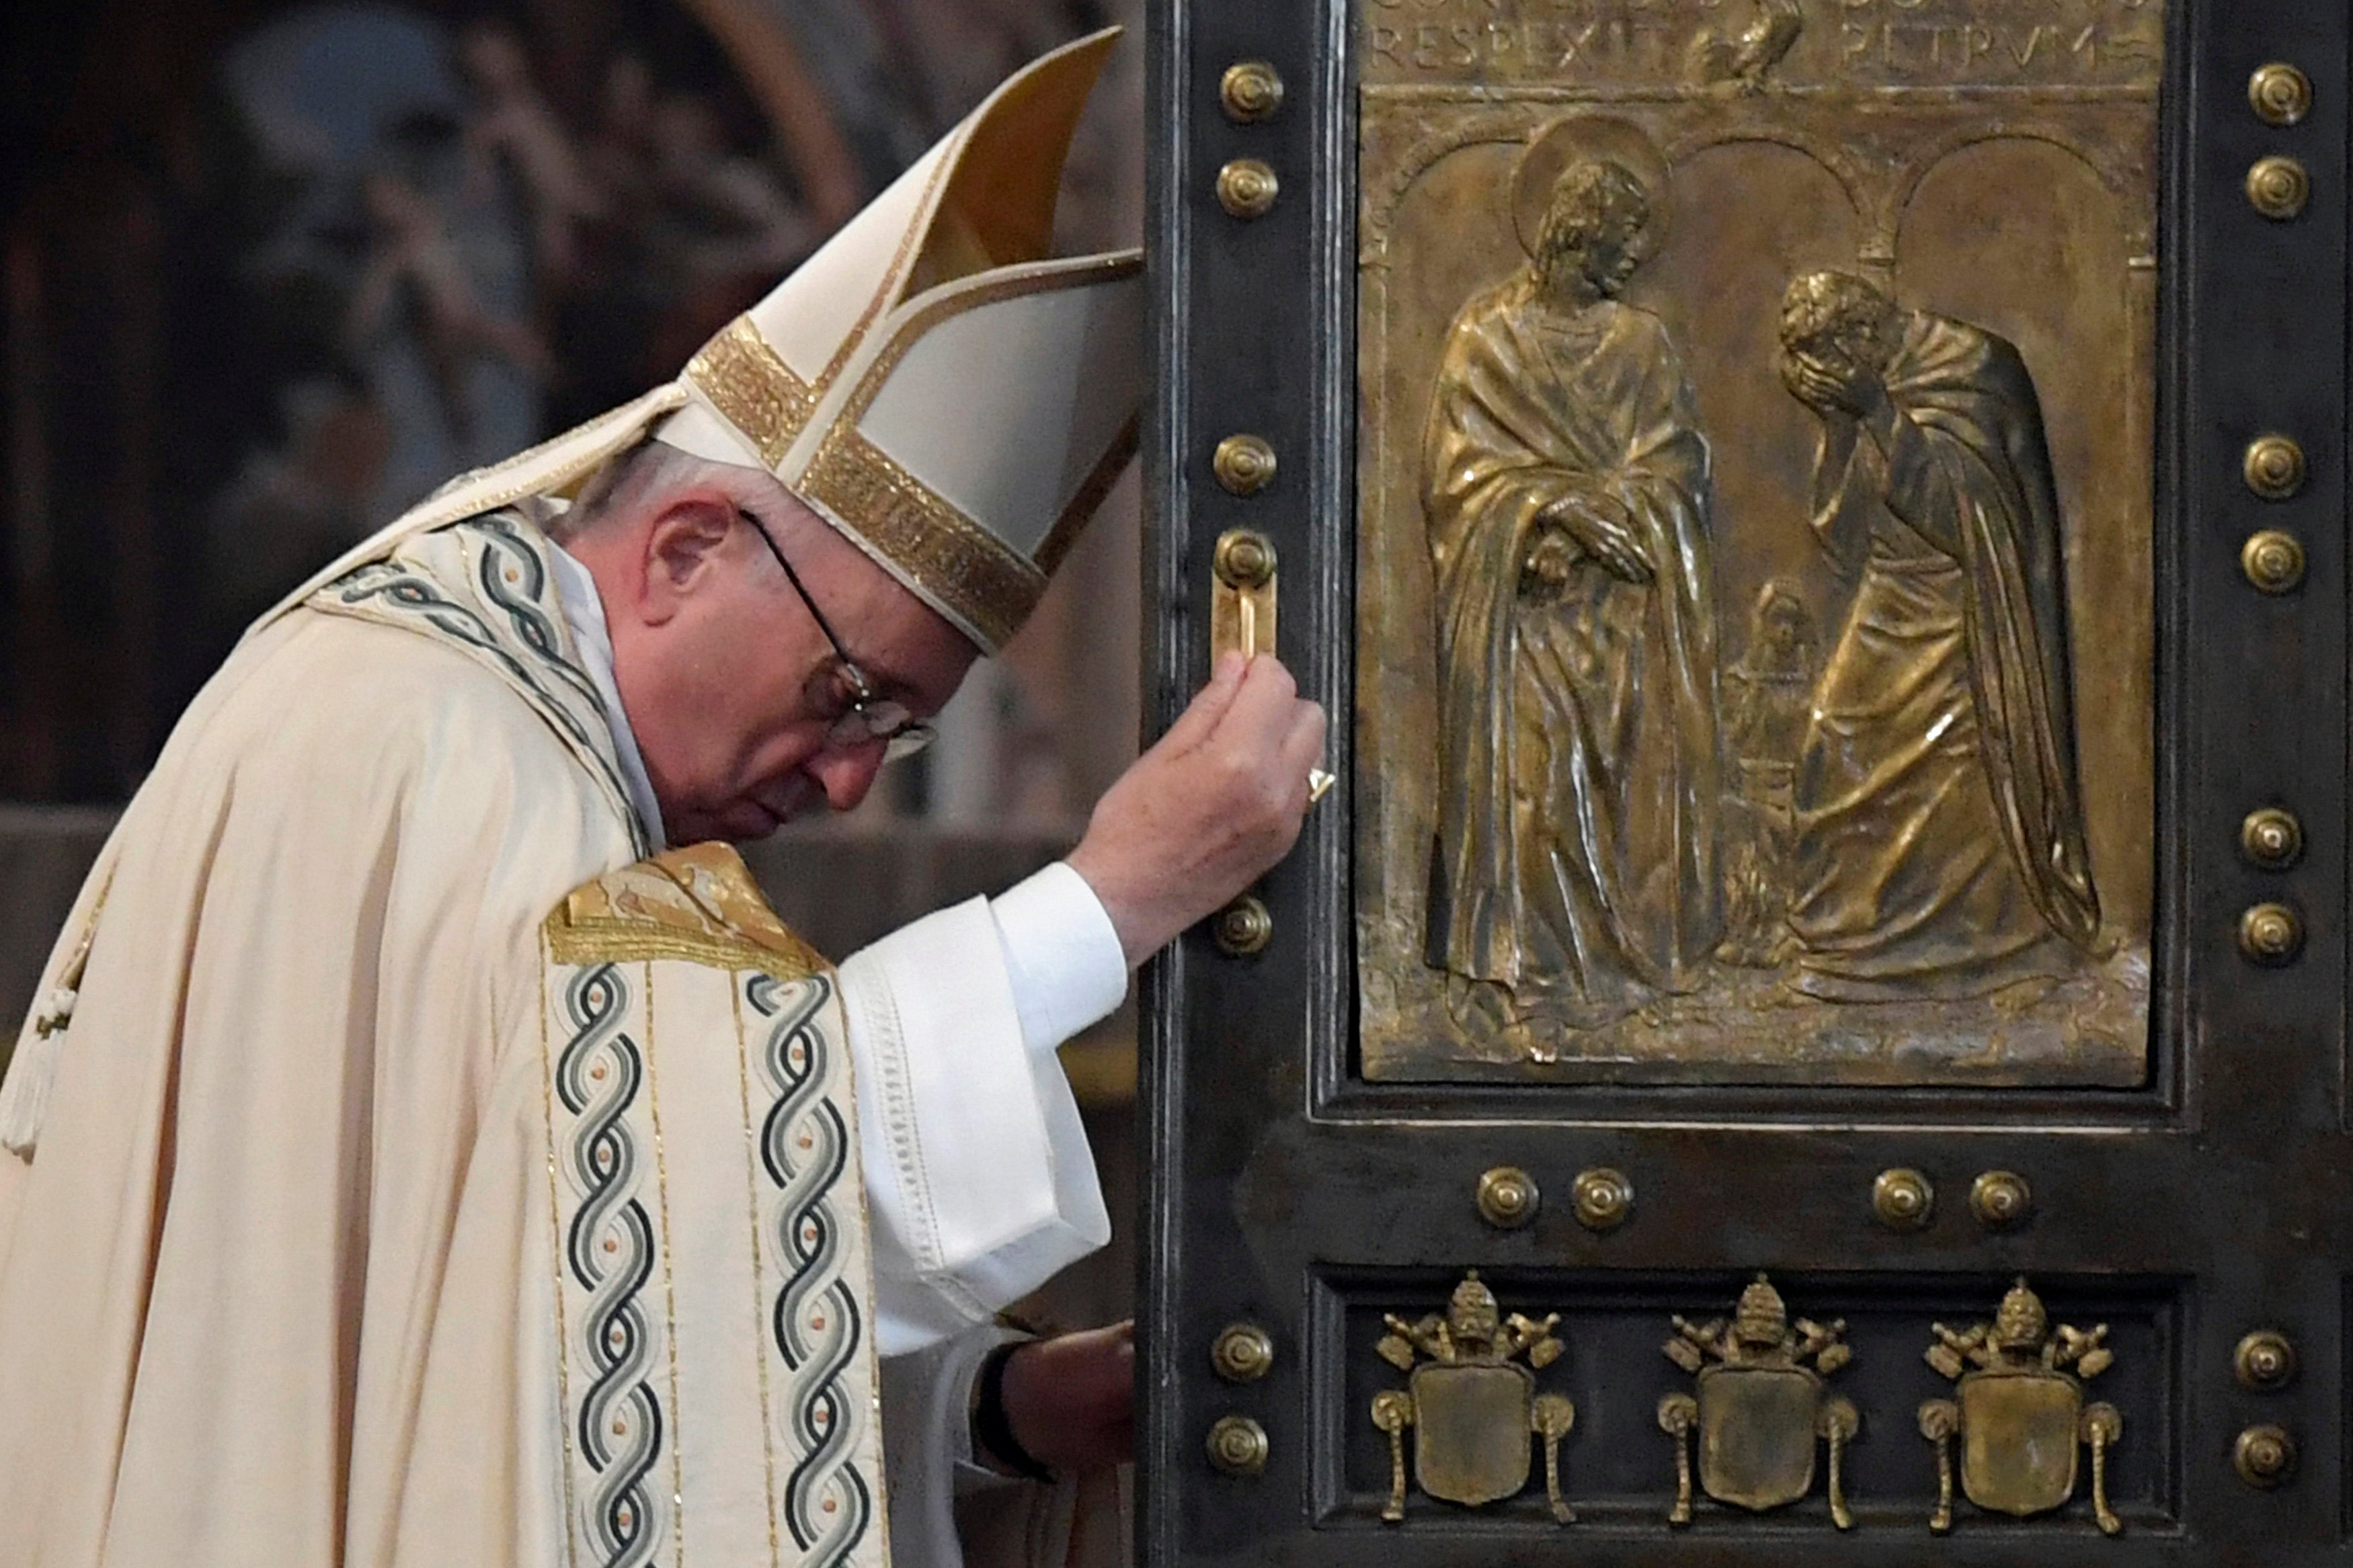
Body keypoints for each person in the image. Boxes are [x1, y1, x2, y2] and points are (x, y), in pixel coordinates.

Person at [0, 30, 1327, 1568]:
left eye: (895, 734)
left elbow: (544, 1313)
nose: (844, 778)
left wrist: (1001, 1411)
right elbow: (640, 1195)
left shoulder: (483, 712)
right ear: (689, 546)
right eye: (851, 694)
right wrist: (1114, 898)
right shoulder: (427, 741)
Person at [1422, 153, 1720, 1035]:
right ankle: (1526, 971)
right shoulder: (1487, 341)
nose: (1633, 261)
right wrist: (1545, 516)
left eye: (1640, 245)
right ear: (1576, 231)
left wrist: (1596, 526)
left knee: (1616, 787)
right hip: (1522, 616)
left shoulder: (1643, 344)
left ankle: (1615, 967)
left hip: (1619, 613)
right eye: (1620, 243)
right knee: (1533, 782)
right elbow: (1459, 478)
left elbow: (1677, 466)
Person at [1776, 268, 2100, 999]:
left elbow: (1970, 521)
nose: (1825, 370)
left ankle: (1987, 946)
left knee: (1958, 775)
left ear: (1862, 335)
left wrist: (1879, 414)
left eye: (1828, 352)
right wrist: (1838, 424)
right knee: (1831, 746)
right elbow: (1841, 535)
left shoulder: (1973, 366)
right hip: (1888, 595)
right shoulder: (1864, 382)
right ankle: (1843, 939)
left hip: (1964, 609)